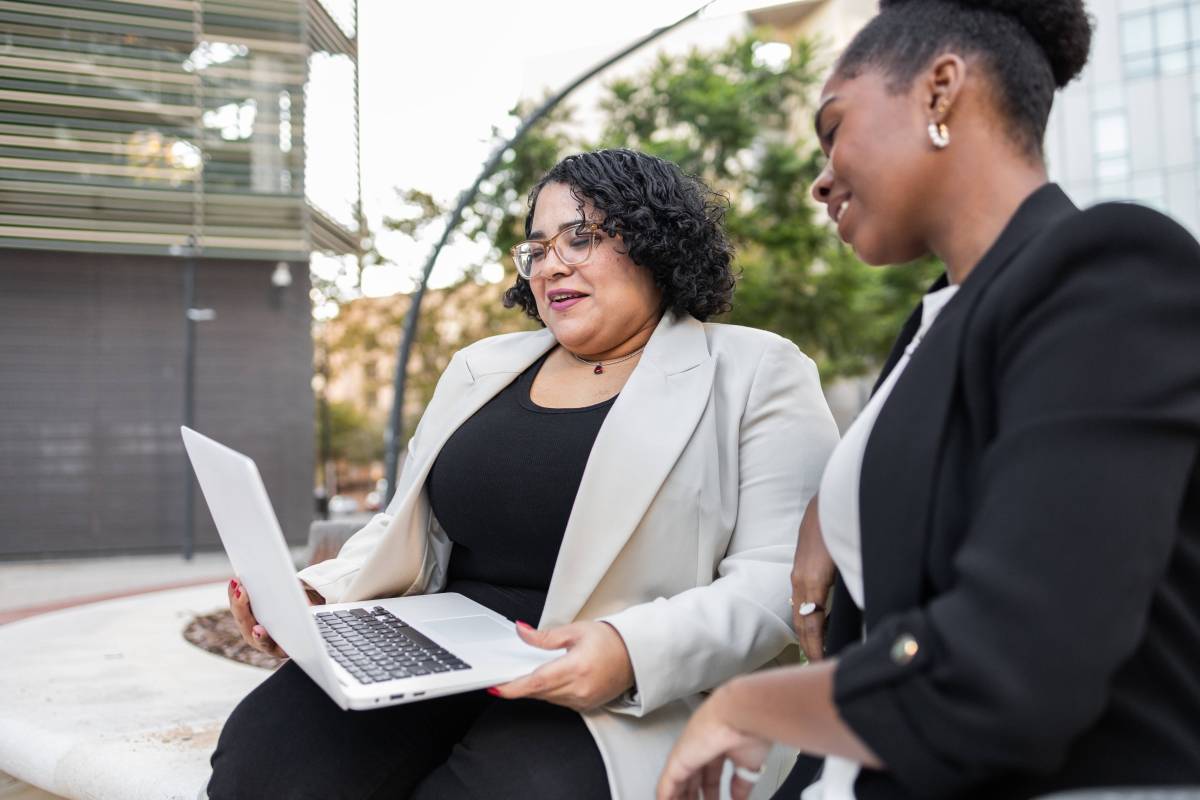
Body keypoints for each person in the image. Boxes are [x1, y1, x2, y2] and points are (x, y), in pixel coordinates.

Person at [658, 1, 1200, 798]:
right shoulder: (931, 325)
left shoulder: (1108, 269)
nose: (821, 176)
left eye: (834, 126)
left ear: (941, 90)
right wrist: (830, 504)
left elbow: (1018, 658)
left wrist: (753, 702)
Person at [208, 148, 840, 799]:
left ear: (656, 243)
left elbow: (779, 578)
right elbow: (408, 526)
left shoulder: (757, 370)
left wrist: (628, 651)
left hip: (618, 691)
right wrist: (316, 596)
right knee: (264, 762)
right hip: (439, 650)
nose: (552, 264)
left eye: (583, 238)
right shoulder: (481, 368)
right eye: (537, 249)